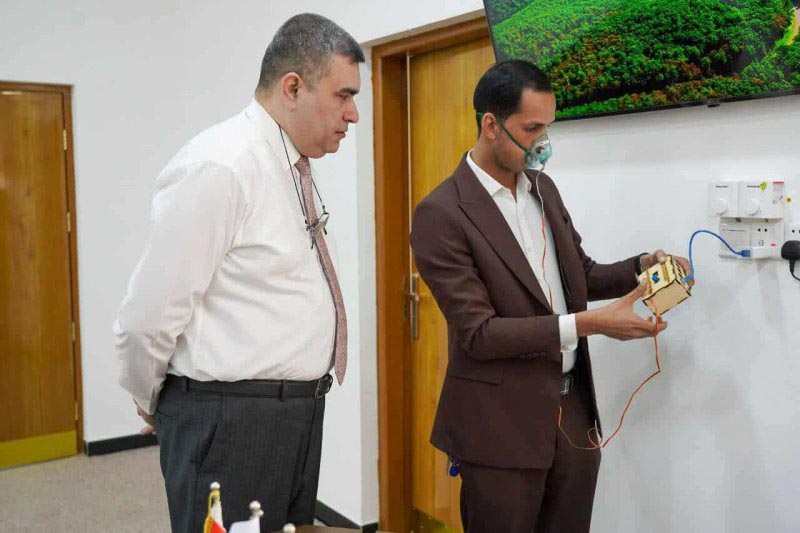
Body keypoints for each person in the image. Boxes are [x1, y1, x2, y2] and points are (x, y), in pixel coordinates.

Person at [409, 60, 691, 533]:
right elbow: (480, 333)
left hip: (572, 415)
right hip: (499, 427)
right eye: (532, 129)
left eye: (548, 127)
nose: (543, 142)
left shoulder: (544, 189)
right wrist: (590, 324)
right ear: (491, 125)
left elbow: (579, 275)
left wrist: (641, 265)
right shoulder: (441, 213)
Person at [114, 13, 363, 532]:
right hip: (230, 423)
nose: (354, 114)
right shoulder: (221, 165)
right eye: (343, 95)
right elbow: (149, 314)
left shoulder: (290, 166)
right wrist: (151, 399)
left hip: (295, 416)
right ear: (292, 87)